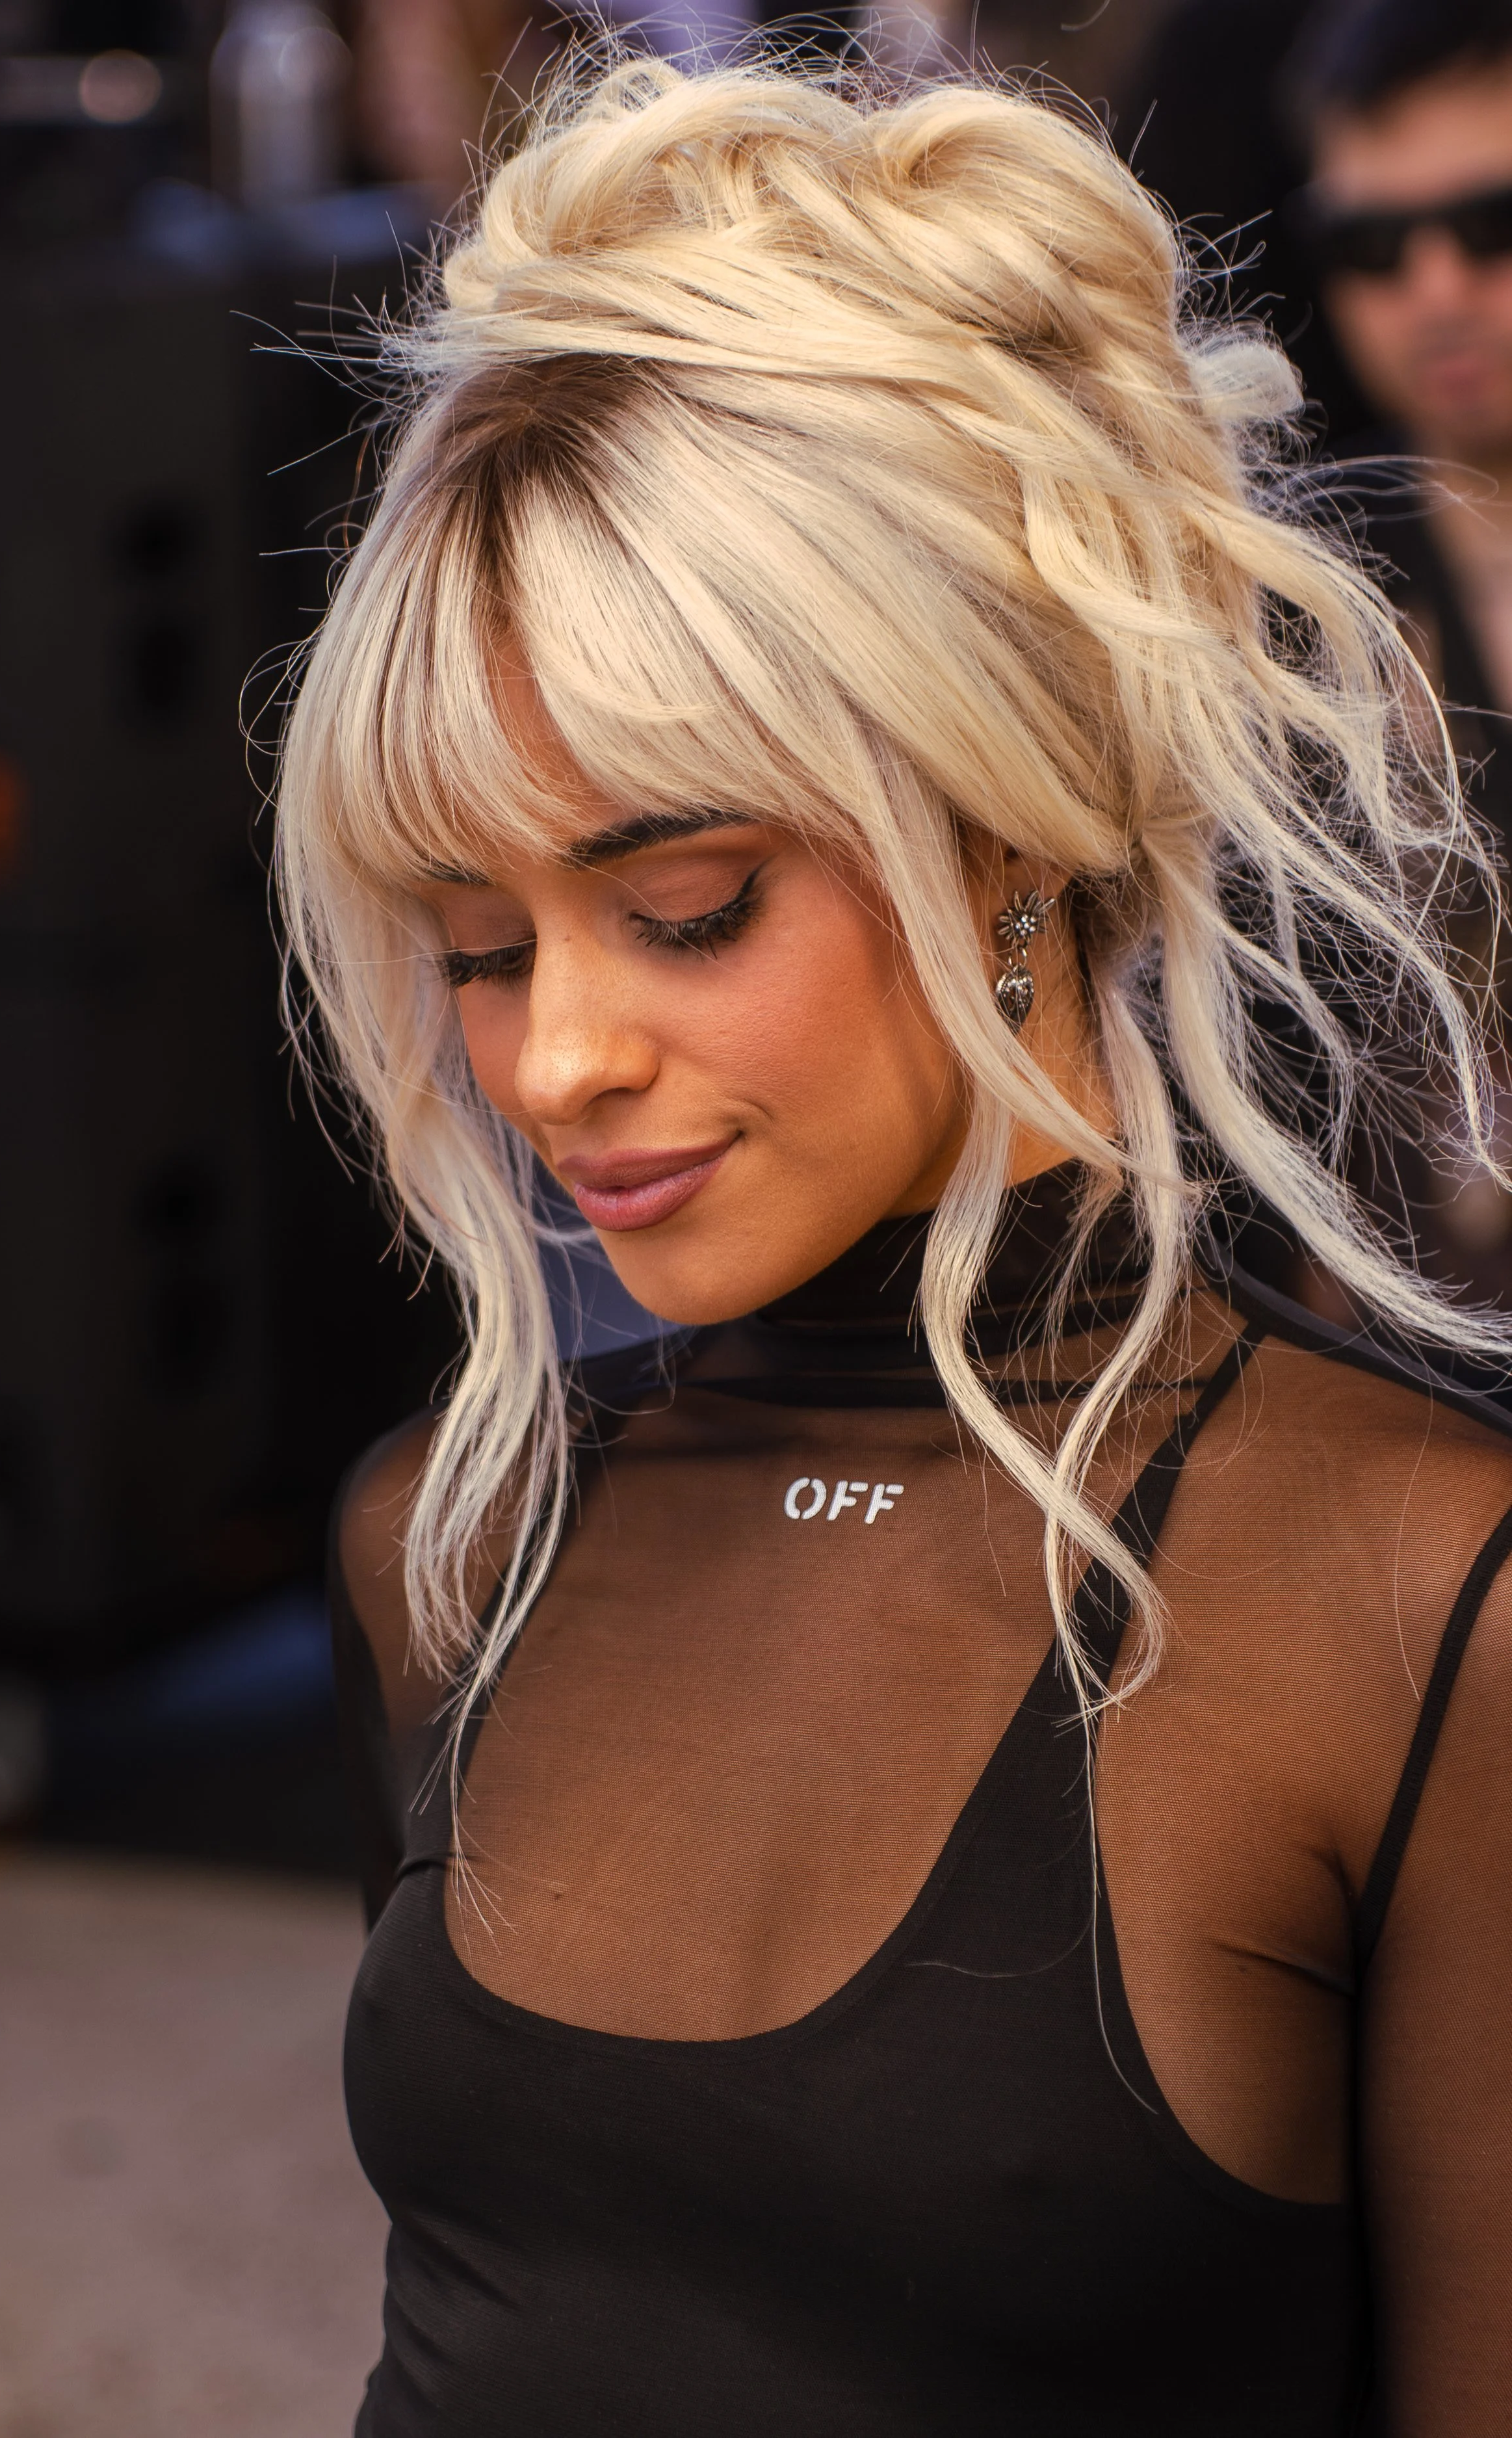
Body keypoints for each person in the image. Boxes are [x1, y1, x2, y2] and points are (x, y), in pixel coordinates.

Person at [276, 55, 1512, 2434]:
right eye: (484, 944)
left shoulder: (1406, 1612)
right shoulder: (455, 1538)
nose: (555, 1071)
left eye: (682, 907)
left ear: (1010, 838)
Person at [1288, 0, 1512, 1290]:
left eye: (1491, 226)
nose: (1431, 289)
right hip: (1419, 1400)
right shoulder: (1290, 592)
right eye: (1368, 244)